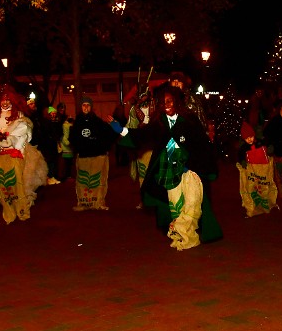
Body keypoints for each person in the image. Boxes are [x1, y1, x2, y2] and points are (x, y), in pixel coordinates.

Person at [107, 85, 222, 249]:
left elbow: (202, 146)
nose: (166, 104)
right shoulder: (159, 124)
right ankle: (181, 236)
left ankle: (191, 236)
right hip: (169, 174)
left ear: (176, 102)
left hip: (189, 174)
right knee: (175, 206)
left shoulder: (190, 121)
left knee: (192, 205)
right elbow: (142, 135)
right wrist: (120, 129)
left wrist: (200, 167)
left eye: (169, 101)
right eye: (163, 102)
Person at [0, 84, 48, 223]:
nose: (5, 102)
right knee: (2, 184)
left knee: (18, 182)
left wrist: (11, 140)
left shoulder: (18, 115)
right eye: (2, 99)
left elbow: (24, 133)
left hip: (15, 154)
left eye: (8, 99)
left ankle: (22, 209)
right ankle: (8, 210)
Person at [69, 96, 118, 211]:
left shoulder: (97, 121)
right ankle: (84, 202)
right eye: (83, 105)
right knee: (83, 181)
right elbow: (73, 138)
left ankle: (98, 202)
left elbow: (108, 133)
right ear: (81, 107)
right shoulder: (77, 123)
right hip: (83, 157)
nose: (86, 107)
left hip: (97, 156)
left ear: (91, 107)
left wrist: (114, 126)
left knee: (98, 181)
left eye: (88, 105)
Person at [236, 121, 278, 217]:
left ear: (254, 135)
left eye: (251, 137)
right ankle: (254, 205)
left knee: (266, 187)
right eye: (246, 138)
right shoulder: (243, 148)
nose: (249, 139)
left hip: (264, 169)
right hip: (252, 171)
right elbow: (240, 156)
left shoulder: (261, 142)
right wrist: (242, 162)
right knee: (252, 188)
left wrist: (270, 149)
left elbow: (268, 145)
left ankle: (267, 204)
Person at [125, 89, 155, 208]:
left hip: (153, 146)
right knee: (143, 175)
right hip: (142, 147)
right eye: (141, 95)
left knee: (154, 174)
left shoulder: (155, 107)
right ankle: (144, 200)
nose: (143, 97)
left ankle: (155, 200)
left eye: (145, 95)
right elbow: (131, 125)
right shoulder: (134, 109)